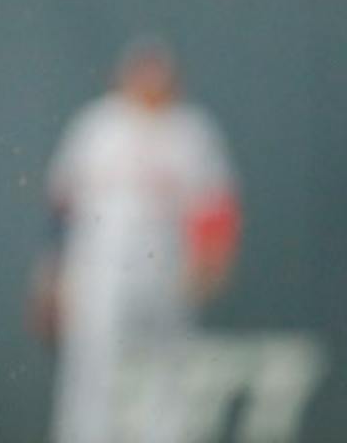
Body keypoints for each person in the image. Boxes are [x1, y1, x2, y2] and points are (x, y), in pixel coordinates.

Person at [31, 39, 242, 443]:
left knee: (170, 363)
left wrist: (211, 262)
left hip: (165, 264)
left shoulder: (191, 131)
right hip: (97, 264)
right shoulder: (97, 125)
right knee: (90, 365)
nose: (148, 85)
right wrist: (50, 276)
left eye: (157, 76)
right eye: (140, 75)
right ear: (123, 78)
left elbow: (216, 206)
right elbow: (61, 209)